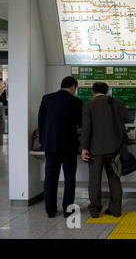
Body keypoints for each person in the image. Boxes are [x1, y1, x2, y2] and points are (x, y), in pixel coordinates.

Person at [80, 82, 129, 218]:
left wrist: (84, 148)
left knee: (94, 180)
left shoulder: (88, 105)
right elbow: (126, 120)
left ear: (92, 91)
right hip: (115, 148)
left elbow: (86, 129)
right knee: (114, 179)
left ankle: (95, 211)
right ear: (107, 91)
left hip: (95, 150)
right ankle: (115, 210)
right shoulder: (118, 103)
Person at [38, 76, 83, 218]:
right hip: (69, 145)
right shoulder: (76, 102)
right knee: (69, 177)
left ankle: (50, 210)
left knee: (50, 177)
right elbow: (81, 124)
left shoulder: (47, 98)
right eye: (75, 89)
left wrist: (43, 141)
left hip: (50, 145)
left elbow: (41, 122)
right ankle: (68, 210)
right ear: (72, 87)